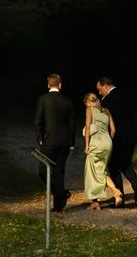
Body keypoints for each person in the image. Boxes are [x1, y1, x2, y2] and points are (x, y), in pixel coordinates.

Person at [96, 75, 137, 206]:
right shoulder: (127, 95)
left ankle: (120, 197)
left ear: (105, 86)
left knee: (114, 166)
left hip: (116, 138)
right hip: (131, 136)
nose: (99, 93)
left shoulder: (106, 101)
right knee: (126, 163)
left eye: (100, 89)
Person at [33, 72, 76, 211]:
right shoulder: (68, 102)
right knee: (59, 172)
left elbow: (38, 120)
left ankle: (60, 194)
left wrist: (40, 137)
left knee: (43, 170)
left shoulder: (43, 100)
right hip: (64, 141)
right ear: (60, 85)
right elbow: (72, 124)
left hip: (49, 140)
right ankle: (59, 202)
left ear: (48, 85)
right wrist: (71, 142)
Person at [82, 91, 120, 208]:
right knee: (101, 170)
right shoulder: (106, 111)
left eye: (86, 103)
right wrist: (108, 141)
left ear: (89, 102)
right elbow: (113, 130)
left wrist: (87, 145)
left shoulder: (89, 110)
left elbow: (88, 127)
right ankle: (96, 201)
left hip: (96, 143)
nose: (86, 105)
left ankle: (114, 192)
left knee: (91, 171)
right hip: (107, 143)